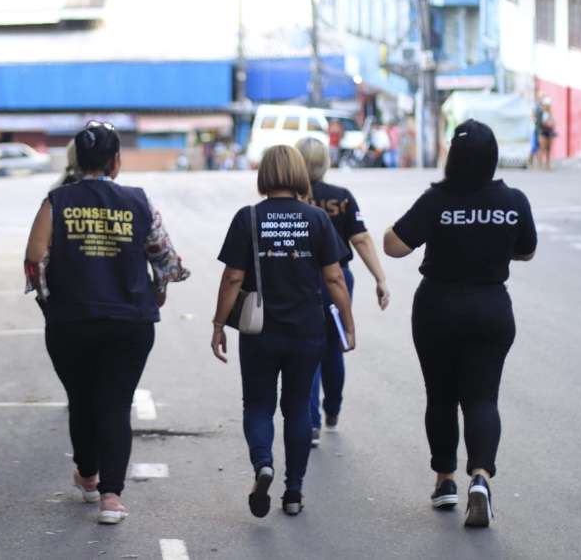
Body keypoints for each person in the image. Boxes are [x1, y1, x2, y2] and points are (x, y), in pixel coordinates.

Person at [24, 121, 190, 524]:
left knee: (81, 399)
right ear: (116, 161)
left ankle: (88, 476)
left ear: (78, 160)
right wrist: (160, 290)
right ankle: (111, 499)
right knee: (115, 403)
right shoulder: (138, 201)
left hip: (71, 320)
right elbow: (166, 259)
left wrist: (49, 303)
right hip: (130, 322)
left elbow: (34, 259)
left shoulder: (56, 201)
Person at [383, 119, 536, 527]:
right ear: (492, 158)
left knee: (441, 396)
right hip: (491, 308)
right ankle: (481, 479)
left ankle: (445, 480)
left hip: (438, 307)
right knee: (483, 398)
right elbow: (526, 253)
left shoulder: (438, 199)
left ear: (453, 157)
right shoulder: (514, 200)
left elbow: (395, 247)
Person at [211, 144, 355, 518]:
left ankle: (263, 465)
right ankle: (293, 492)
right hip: (308, 330)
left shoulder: (249, 218)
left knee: (258, 404)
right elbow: (335, 276)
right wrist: (348, 322)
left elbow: (232, 277)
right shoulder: (317, 218)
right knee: (296, 408)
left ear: (264, 176)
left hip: (260, 332)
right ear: (298, 175)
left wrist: (217, 324)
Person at [295, 137, 389, 448]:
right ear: (325, 162)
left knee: (306, 347)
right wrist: (380, 278)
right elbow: (361, 239)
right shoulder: (341, 198)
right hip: (339, 279)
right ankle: (332, 409)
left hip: (299, 279)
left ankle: (311, 423)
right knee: (334, 346)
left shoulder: (292, 198)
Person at [535, 95, 555, 170]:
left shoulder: (550, 113)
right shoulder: (541, 112)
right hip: (542, 131)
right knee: (542, 148)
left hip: (549, 132)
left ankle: (547, 164)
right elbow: (541, 122)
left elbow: (553, 123)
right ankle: (539, 164)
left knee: (548, 149)